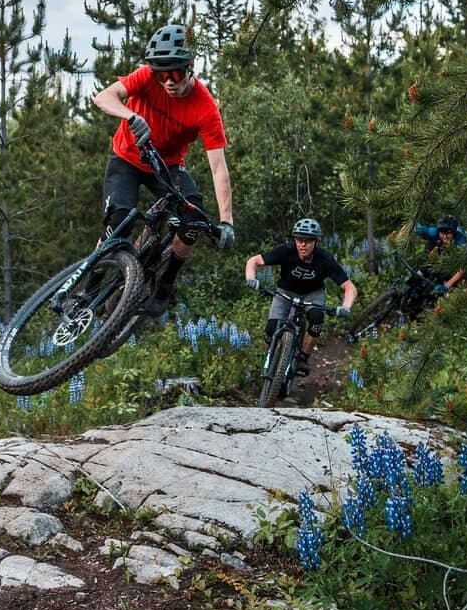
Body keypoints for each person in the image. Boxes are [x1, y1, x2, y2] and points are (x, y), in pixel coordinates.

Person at [92, 23, 235, 314]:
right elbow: (103, 97)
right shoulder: (146, 77)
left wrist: (227, 222)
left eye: (175, 73)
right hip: (127, 159)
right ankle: (88, 291)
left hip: (166, 165)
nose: (168, 81)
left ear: (191, 66)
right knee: (119, 223)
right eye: (161, 74)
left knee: (194, 217)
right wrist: (130, 116)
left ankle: (166, 284)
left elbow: (219, 168)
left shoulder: (205, 108)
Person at [244, 218, 357, 375]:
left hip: (313, 294)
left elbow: (349, 287)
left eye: (308, 241)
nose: (303, 244)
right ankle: (268, 359)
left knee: (317, 320)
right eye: (299, 239)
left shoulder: (325, 259)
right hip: (285, 292)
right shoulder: (286, 251)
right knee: (271, 328)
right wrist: (251, 278)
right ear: (294, 239)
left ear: (316, 241)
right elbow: (254, 261)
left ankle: (303, 358)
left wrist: (346, 306)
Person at [413, 214, 467, 293]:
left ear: (454, 232)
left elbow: (462, 269)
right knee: (432, 242)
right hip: (434, 258)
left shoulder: (460, 241)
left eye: (448, 233)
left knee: (447, 281)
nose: (445, 236)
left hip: (451, 263)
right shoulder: (434, 232)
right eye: (442, 232)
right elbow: (417, 228)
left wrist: (446, 286)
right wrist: (417, 229)